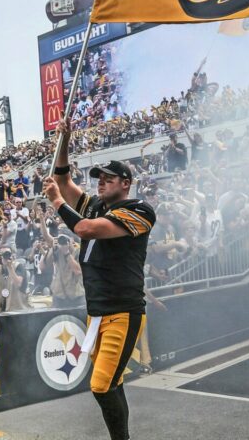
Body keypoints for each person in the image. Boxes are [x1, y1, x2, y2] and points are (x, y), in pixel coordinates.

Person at [44, 121, 156, 440]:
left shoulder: (138, 210)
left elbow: (86, 230)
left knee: (101, 385)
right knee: (111, 383)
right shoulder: (95, 205)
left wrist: (56, 202)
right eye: (99, 178)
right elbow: (63, 177)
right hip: (97, 313)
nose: (101, 183)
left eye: (108, 178)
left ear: (126, 182)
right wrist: (65, 138)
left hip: (122, 311)